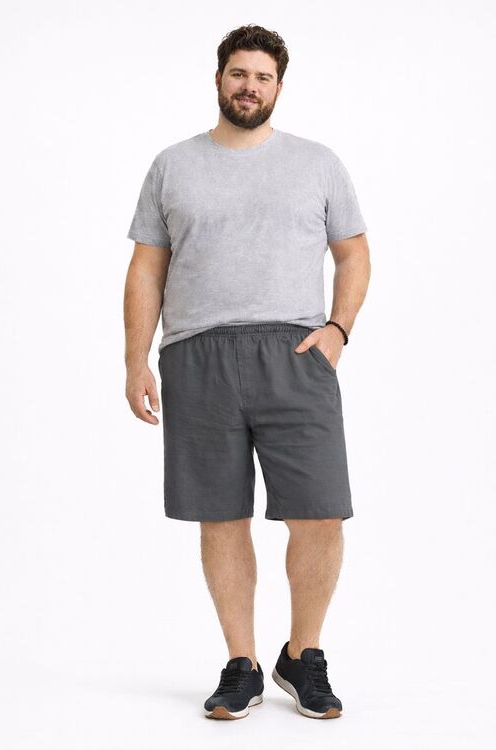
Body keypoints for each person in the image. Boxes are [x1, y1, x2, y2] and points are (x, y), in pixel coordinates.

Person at [124, 24, 371, 721]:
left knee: (320, 511)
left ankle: (303, 654)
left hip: (296, 353)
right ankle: (243, 663)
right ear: (218, 79)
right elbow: (146, 268)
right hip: (197, 354)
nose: (249, 86)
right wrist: (136, 359)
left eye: (262, 77)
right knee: (221, 515)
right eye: (239, 73)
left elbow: (354, 253)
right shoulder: (173, 165)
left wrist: (338, 330)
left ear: (279, 87)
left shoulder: (317, 163)